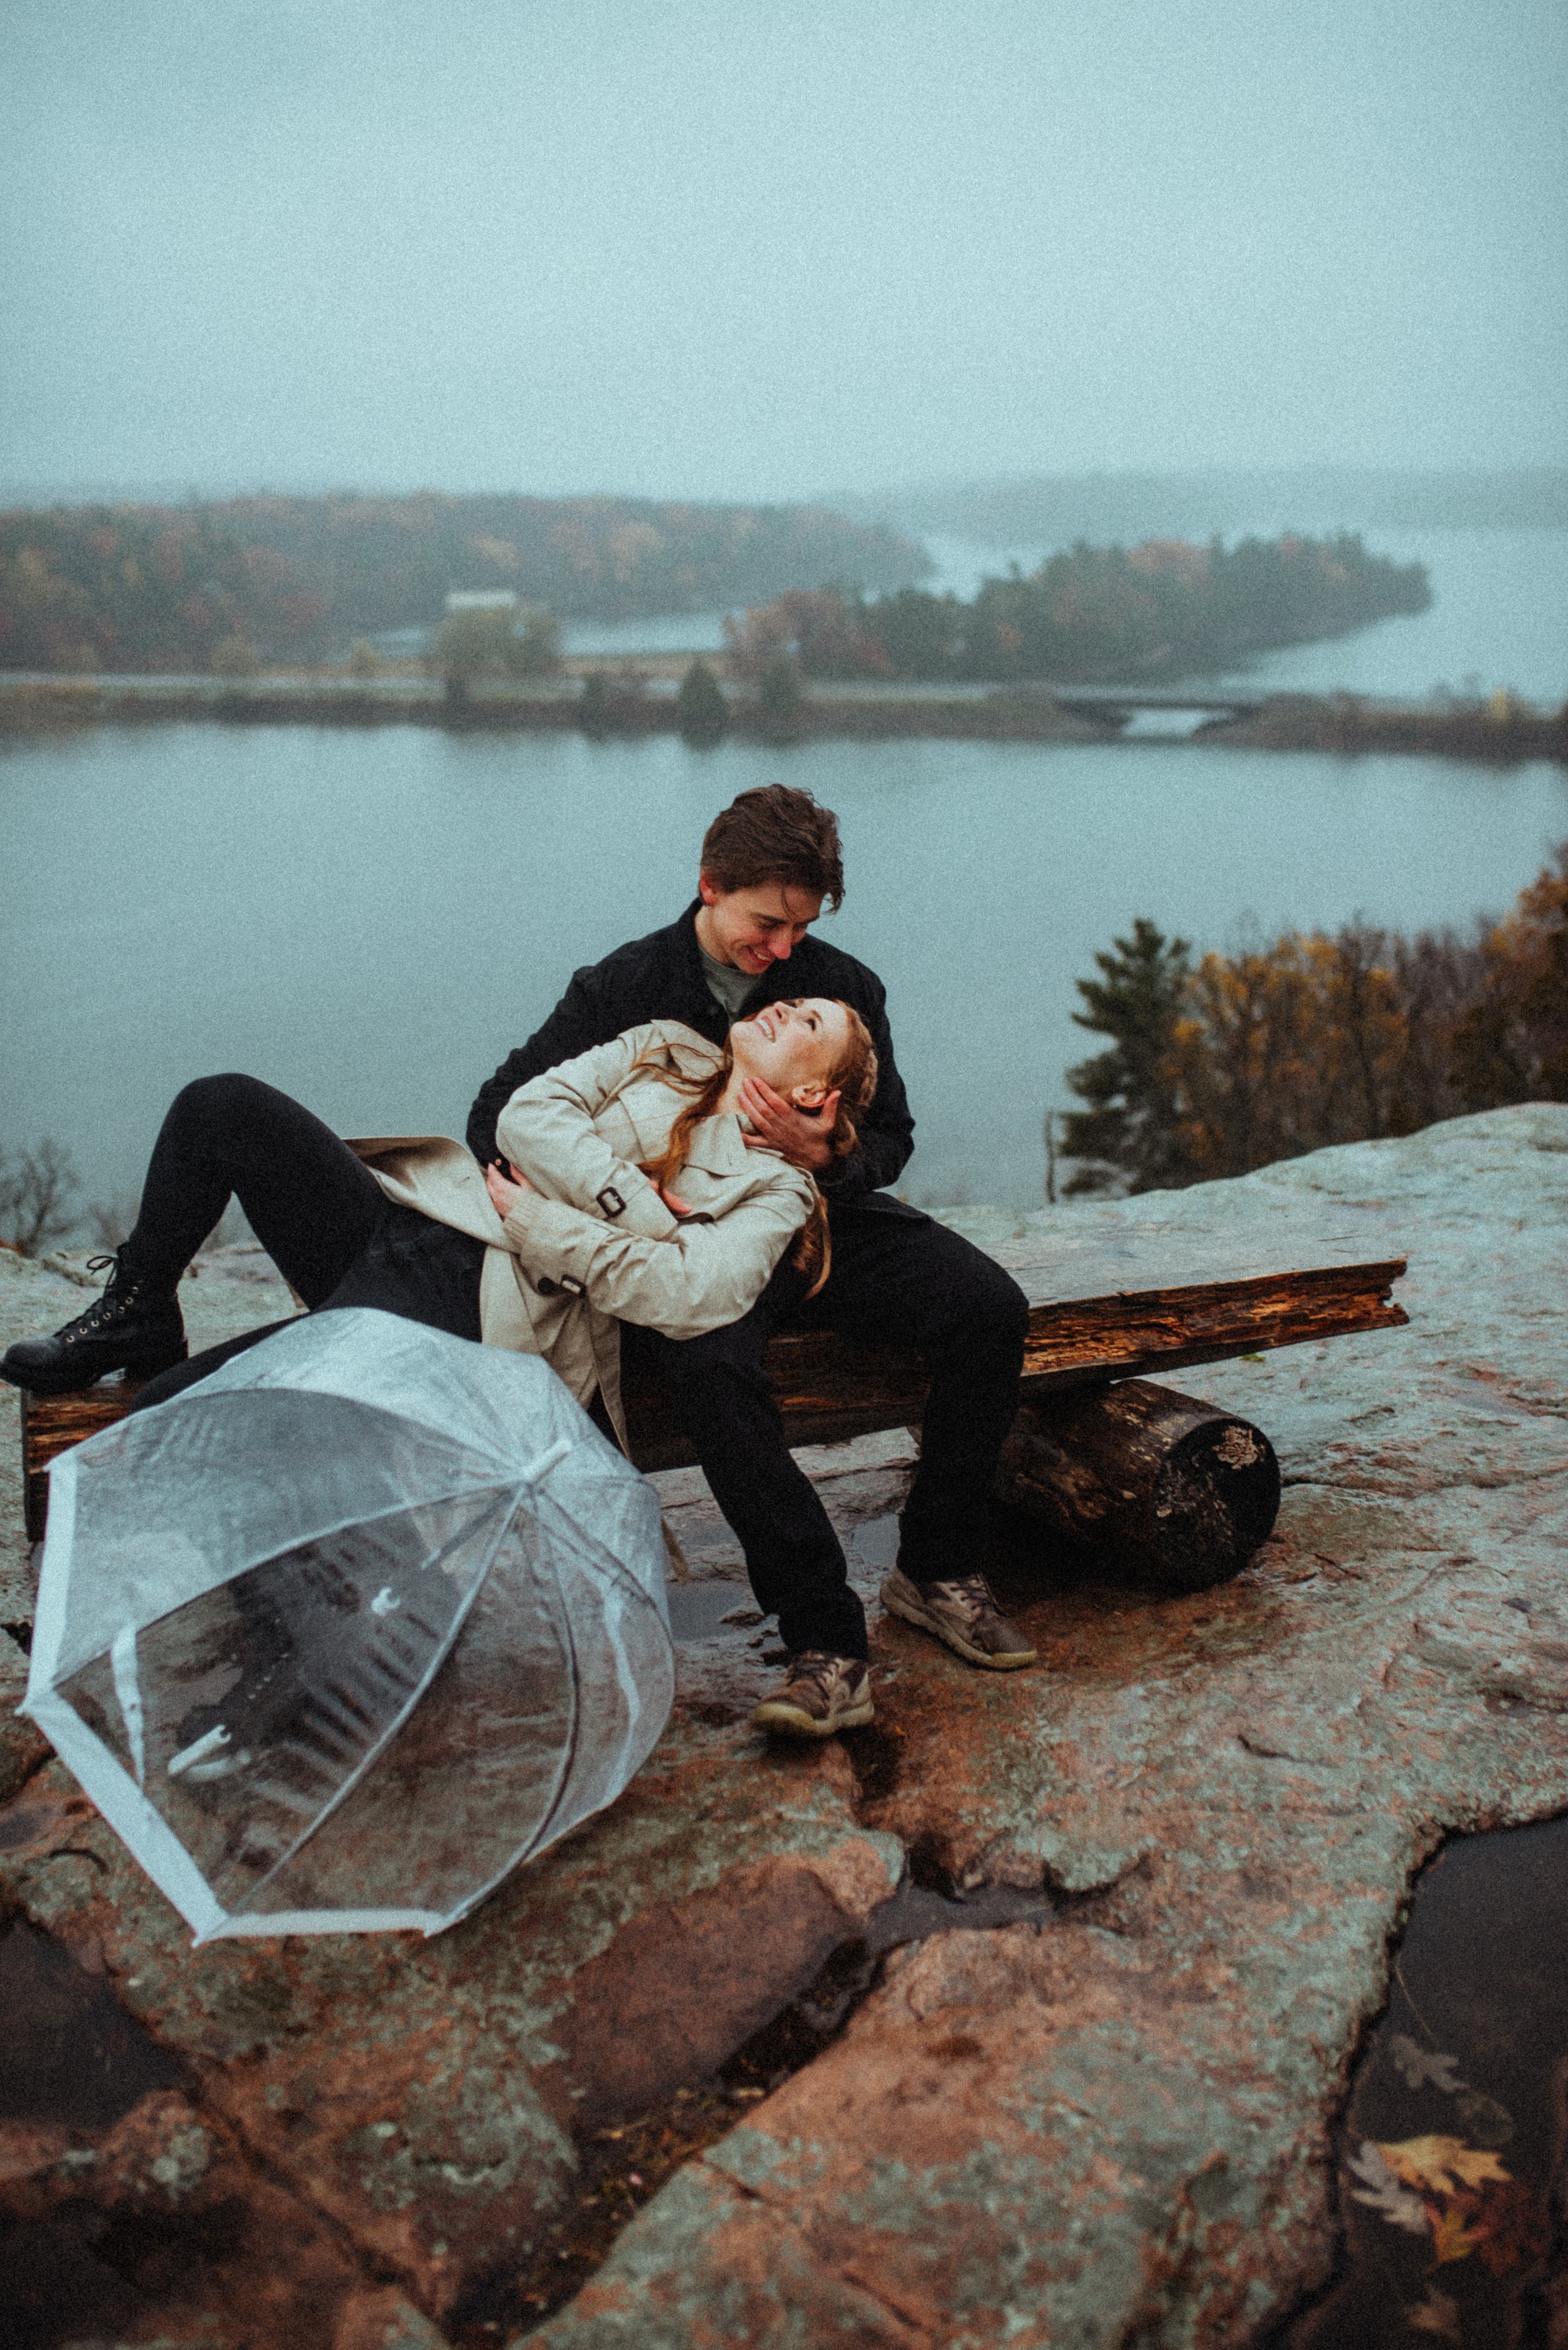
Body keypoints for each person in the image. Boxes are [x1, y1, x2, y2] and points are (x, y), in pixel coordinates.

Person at [3, 1002, 896, 1741]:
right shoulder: (664, 1047)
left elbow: (692, 1290)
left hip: (474, 1311)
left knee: (175, 1414)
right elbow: (524, 1116)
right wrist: (633, 1208)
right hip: (421, 1218)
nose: (787, 999)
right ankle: (140, 1304)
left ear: (813, 1087)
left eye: (811, 1017)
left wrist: (551, 1216)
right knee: (221, 1107)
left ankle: (298, 1651)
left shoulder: (774, 1192)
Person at [468, 782, 1037, 1736]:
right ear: (709, 885)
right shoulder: (624, 985)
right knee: (713, 1362)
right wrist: (637, 1198)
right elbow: (497, 1116)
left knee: (990, 1306)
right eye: (767, 926)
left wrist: (829, 1156)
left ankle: (936, 1566)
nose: (783, 953)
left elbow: (891, 1134)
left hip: (818, 1214)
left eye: (800, 931)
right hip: (685, 1232)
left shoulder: (844, 985)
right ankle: (823, 1637)